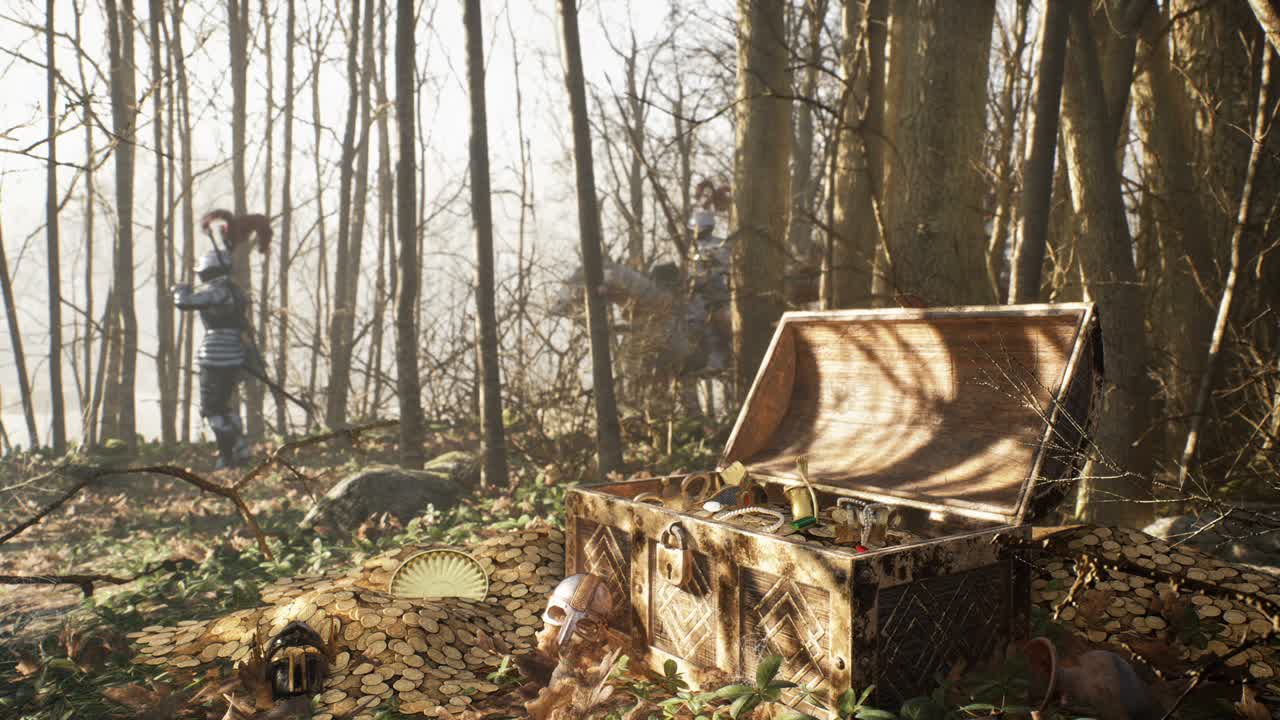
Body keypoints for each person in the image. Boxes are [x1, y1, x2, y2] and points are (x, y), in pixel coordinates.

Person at [173, 248, 253, 469]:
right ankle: (239, 451)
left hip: (216, 355)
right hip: (234, 353)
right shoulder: (236, 292)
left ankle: (230, 455)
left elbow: (185, 302)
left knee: (211, 408)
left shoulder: (218, 292)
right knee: (223, 406)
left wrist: (180, 290)